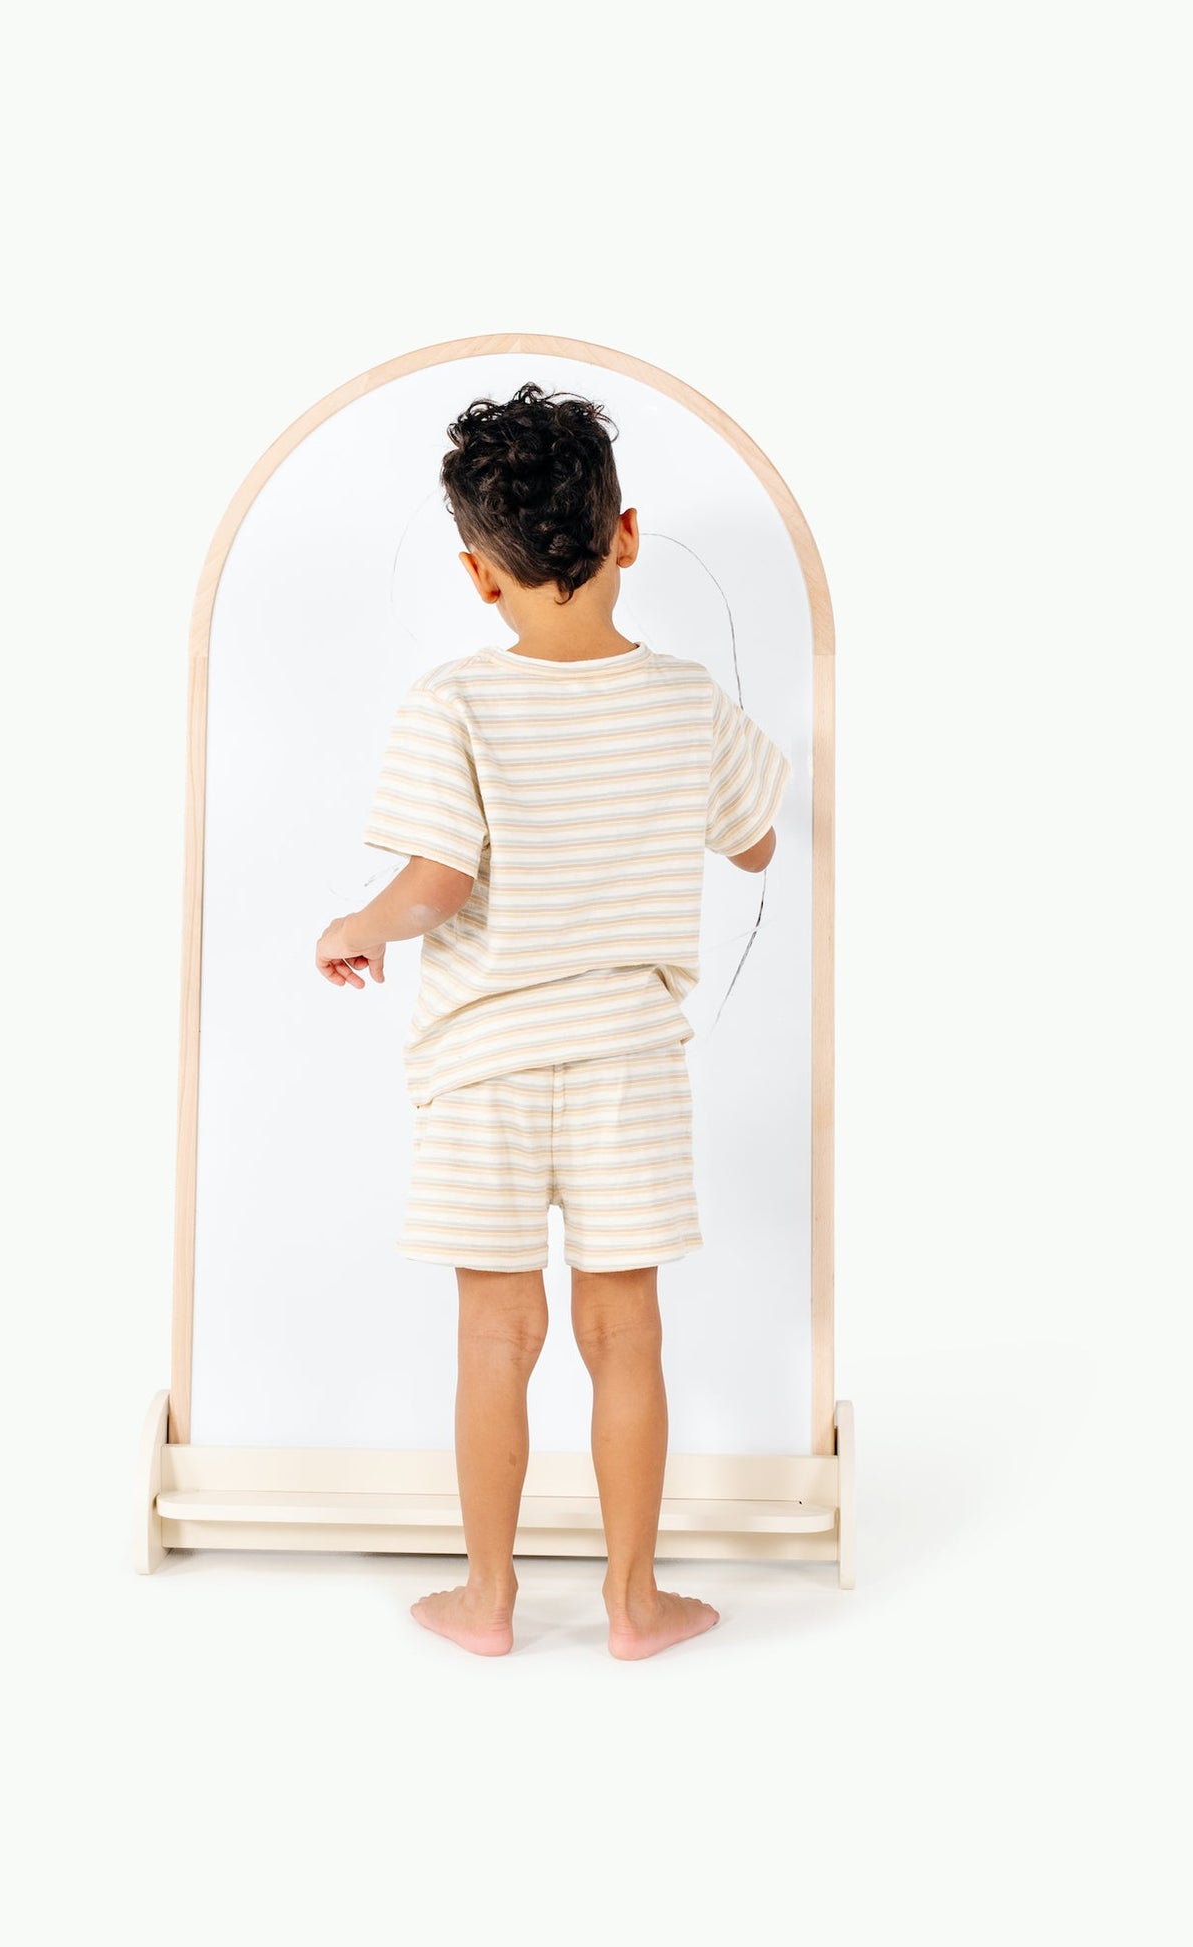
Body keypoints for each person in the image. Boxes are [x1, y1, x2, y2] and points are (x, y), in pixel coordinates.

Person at [312, 382, 789, 1659]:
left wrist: (355, 926)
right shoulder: (686, 700)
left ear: (477, 573)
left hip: (484, 1064)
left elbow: (437, 884)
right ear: (624, 535)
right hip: (628, 1057)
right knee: (622, 1328)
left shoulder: (453, 704)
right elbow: (753, 844)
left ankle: (487, 1601)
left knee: (496, 1329)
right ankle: (633, 1607)